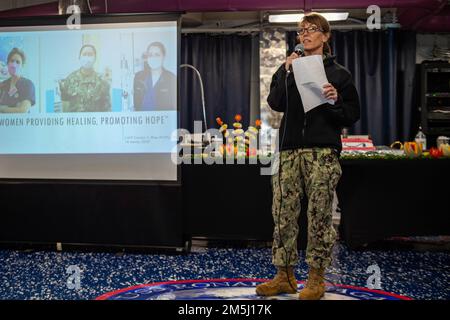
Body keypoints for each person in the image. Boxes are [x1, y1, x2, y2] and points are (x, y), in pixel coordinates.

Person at [255, 12, 360, 300]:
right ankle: (284, 276)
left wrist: (335, 100)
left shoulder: (339, 74)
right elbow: (275, 103)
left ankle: (316, 278)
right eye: (301, 30)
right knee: (283, 215)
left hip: (322, 152)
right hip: (288, 151)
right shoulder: (289, 68)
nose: (305, 34)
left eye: (312, 29)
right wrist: (284, 70)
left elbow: (352, 114)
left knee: (319, 216)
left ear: (326, 36)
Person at [60, 44, 111, 112]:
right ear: (79, 57)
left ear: (95, 58)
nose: (87, 57)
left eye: (90, 54)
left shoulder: (102, 82)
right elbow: (64, 105)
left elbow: (107, 109)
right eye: (84, 54)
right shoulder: (70, 79)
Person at [133, 42, 176, 111]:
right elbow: (136, 105)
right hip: (142, 120)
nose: (153, 58)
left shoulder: (171, 78)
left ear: (163, 57)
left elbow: (173, 107)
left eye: (157, 55)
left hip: (162, 121)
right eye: (150, 55)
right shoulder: (138, 77)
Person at [0, 48, 35, 113]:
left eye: (18, 62)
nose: (14, 65)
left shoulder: (27, 84)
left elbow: (23, 110)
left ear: (22, 65)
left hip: (20, 123)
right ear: (7, 64)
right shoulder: (2, 85)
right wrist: (15, 108)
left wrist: (3, 109)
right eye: (12, 61)